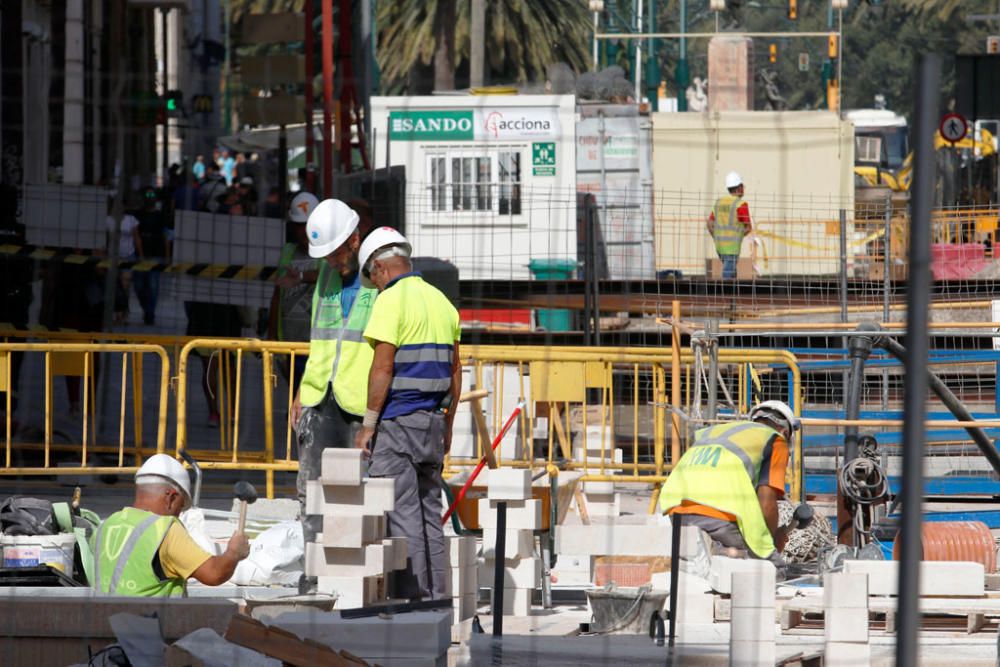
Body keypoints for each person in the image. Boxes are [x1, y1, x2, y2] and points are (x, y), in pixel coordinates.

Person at [353, 228, 462, 601]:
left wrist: (368, 425)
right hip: (432, 422)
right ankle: (437, 603)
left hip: (399, 424)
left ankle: (414, 605)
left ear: (380, 268)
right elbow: (455, 370)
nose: (377, 285)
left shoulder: (391, 301)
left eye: (374, 278)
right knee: (430, 515)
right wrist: (447, 425)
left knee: (402, 518)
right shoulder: (442, 302)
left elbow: (382, 368)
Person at [292, 199, 379, 580]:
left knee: (360, 490)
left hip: (359, 401)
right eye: (324, 255)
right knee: (311, 488)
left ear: (355, 240)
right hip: (319, 394)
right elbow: (319, 338)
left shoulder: (378, 277)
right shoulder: (327, 277)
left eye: (336, 254)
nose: (330, 262)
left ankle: (358, 572)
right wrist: (301, 392)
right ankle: (315, 570)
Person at [659, 400, 799, 577]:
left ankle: (716, 551)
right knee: (773, 570)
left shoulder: (716, 432)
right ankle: (720, 552)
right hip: (717, 516)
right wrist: (769, 544)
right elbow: (767, 501)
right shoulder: (775, 440)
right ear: (785, 432)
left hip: (675, 514)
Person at [92, 454, 250, 596]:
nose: (178, 514)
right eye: (180, 507)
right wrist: (233, 553)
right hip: (149, 625)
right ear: (171, 497)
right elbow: (214, 574)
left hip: (104, 624)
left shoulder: (106, 524)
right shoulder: (164, 530)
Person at [268, 191, 321, 393]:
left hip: (316, 344)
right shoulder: (288, 252)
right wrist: (272, 336)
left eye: (306, 226)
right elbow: (277, 295)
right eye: (299, 226)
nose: (303, 231)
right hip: (288, 343)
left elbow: (325, 275)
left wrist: (300, 277)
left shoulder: (326, 253)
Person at [706, 171, 753, 279]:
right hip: (732, 247)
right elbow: (748, 227)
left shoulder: (719, 202)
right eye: (743, 186)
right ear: (740, 187)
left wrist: (716, 237)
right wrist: (738, 236)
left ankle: (732, 294)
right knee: (727, 274)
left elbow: (709, 224)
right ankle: (723, 294)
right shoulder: (741, 204)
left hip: (719, 247)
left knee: (731, 271)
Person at [134, 187, 166, 325]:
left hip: (155, 255)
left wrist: (167, 256)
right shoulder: (138, 215)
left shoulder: (160, 216)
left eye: (152, 195)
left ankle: (150, 314)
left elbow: (166, 237)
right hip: (139, 256)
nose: (150, 198)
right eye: (147, 195)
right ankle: (146, 309)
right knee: (139, 286)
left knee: (153, 286)